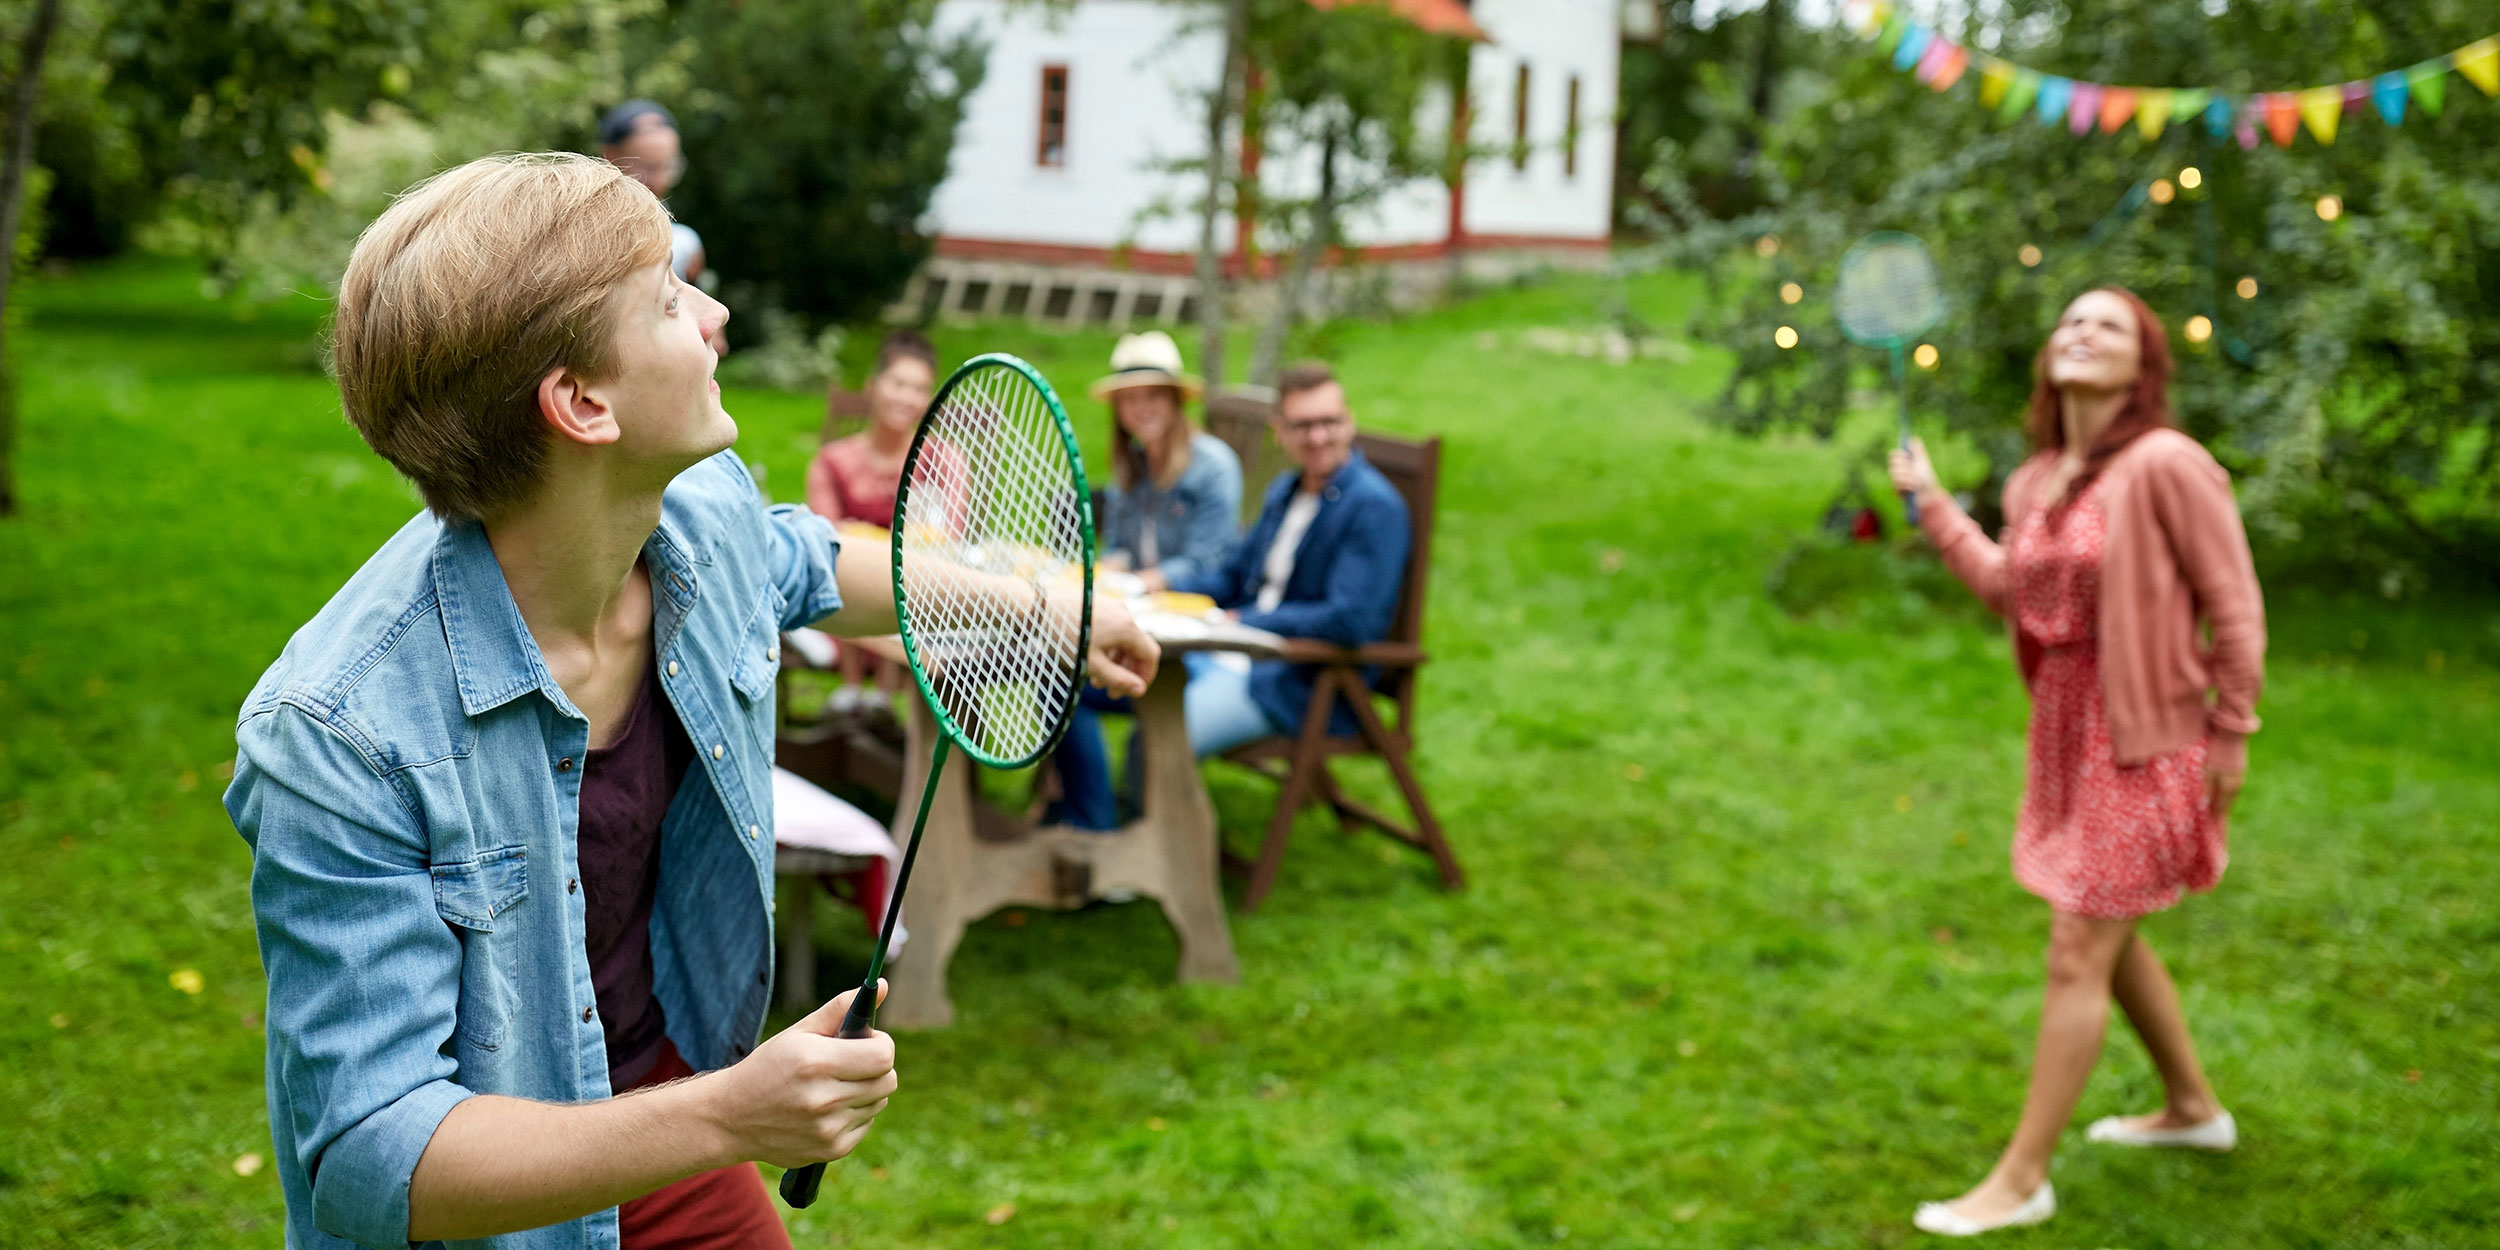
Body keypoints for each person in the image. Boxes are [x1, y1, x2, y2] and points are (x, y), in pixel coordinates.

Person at [224, 153, 1157, 1250]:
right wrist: (730, 1113)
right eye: (668, 297)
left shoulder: (693, 510)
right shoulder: (339, 733)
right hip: (499, 1201)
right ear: (581, 404)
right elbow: (372, 1153)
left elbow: (797, 560)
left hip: (653, 1102)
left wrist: (1029, 609)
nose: (713, 314)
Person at [1888, 287, 2265, 1237]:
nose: (2080, 332)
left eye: (2108, 325)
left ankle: (2021, 1179)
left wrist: (2231, 735)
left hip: (2151, 741)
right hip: (2066, 736)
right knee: (2104, 928)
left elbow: (2238, 606)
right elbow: (2010, 590)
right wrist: (1931, 505)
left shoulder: (2168, 464)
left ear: (2144, 367)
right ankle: (2191, 1110)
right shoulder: (2039, 481)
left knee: (2078, 947)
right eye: (2067, 320)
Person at [1170, 361, 1410, 758]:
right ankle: (1080, 813)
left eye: (1329, 422)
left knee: (1161, 737)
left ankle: (1142, 821)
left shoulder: (1373, 508)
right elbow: (1234, 575)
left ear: (1350, 423)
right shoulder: (1286, 491)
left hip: (1298, 685)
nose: (1317, 437)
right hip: (1236, 655)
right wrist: (1164, 588)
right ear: (1279, 431)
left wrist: (1244, 623)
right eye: (1302, 425)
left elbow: (1348, 619)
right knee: (1102, 690)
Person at [1050, 332, 1241, 830]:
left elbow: (1212, 563)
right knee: (1055, 678)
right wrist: (1110, 567)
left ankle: (1123, 827)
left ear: (1177, 401)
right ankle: (1092, 821)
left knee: (1070, 674)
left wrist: (1142, 578)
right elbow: (1122, 548)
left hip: (1198, 639)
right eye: (1130, 399)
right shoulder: (1130, 467)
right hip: (1140, 622)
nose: (1141, 409)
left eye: (1153, 396)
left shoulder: (1213, 466)